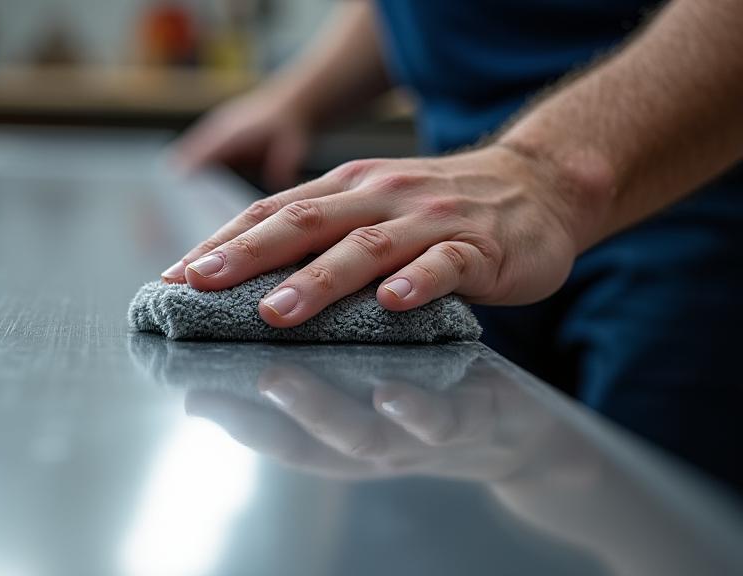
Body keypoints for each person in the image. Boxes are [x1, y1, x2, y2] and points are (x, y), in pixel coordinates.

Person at [162, 0, 743, 487]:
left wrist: (546, 174)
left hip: (683, 202)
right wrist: (296, 97)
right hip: (455, 221)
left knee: (654, 527)